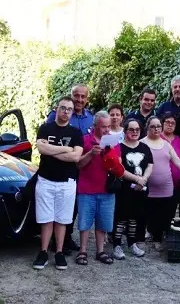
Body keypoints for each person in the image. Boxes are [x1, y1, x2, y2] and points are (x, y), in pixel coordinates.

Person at [33, 96, 84, 271]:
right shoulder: (45, 128)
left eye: (69, 109)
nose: (66, 112)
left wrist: (51, 151)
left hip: (67, 182)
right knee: (46, 218)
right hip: (45, 180)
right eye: (63, 108)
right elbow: (41, 149)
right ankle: (43, 252)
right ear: (57, 109)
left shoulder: (76, 133)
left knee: (62, 219)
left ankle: (60, 252)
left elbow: (76, 157)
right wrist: (65, 149)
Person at [45, 84, 92, 253]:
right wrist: (68, 152)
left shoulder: (90, 119)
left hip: (81, 168)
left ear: (87, 99)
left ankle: (67, 236)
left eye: (82, 97)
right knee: (56, 204)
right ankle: (54, 241)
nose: (79, 100)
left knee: (72, 206)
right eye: (76, 96)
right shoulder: (56, 115)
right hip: (58, 168)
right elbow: (47, 142)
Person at [141, 116, 180, 251]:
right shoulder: (142, 143)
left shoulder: (166, 144)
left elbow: (177, 161)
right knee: (150, 213)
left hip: (167, 186)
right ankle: (150, 236)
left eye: (158, 126)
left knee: (165, 213)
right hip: (148, 186)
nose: (156, 129)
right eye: (153, 126)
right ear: (147, 127)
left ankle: (159, 239)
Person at [74, 111, 116, 266]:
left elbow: (118, 165)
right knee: (84, 223)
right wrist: (91, 154)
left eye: (109, 126)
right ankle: (82, 251)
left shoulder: (113, 141)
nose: (107, 130)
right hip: (86, 188)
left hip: (106, 189)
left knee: (103, 223)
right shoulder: (85, 140)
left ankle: (100, 251)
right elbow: (78, 164)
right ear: (95, 126)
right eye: (103, 127)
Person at [111, 119, 153, 259]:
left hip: (140, 189)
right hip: (124, 189)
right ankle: (116, 245)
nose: (134, 132)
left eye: (137, 130)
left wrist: (144, 179)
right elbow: (119, 169)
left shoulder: (144, 147)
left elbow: (150, 165)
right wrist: (137, 179)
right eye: (131, 129)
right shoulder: (119, 147)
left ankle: (132, 243)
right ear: (125, 131)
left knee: (135, 218)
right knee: (121, 218)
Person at [159, 112, 180, 215]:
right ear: (162, 123)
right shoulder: (157, 138)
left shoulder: (179, 140)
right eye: (167, 122)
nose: (170, 125)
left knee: (171, 213)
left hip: (176, 184)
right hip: (159, 185)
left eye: (172, 123)